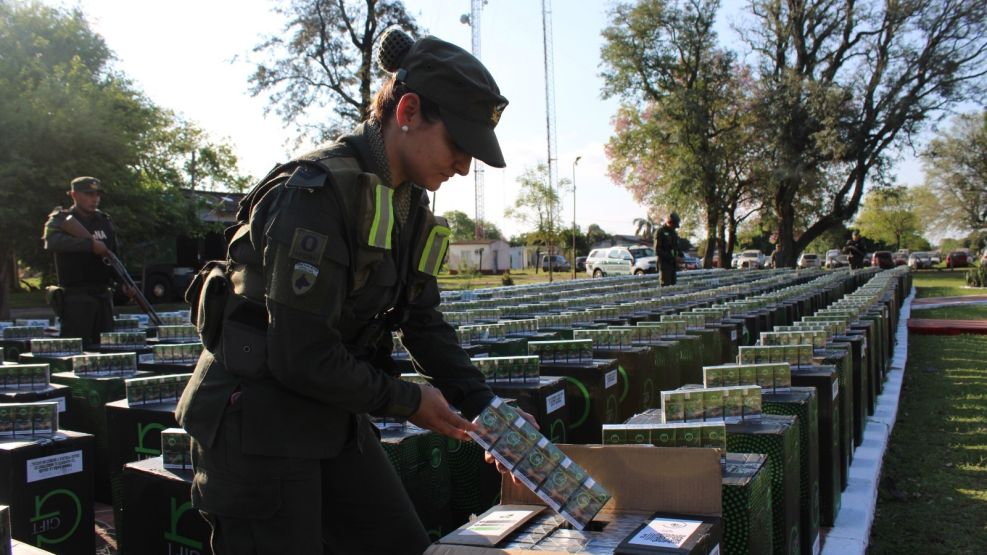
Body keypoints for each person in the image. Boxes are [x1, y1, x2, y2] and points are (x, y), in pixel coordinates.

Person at [177, 28, 522, 554]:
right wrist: (409, 401)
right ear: (408, 112)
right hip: (258, 424)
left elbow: (422, 321)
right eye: (458, 144)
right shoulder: (314, 194)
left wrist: (490, 408)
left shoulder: (408, 206)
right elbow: (299, 354)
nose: (463, 165)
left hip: (328, 409)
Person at [42, 176, 119, 347]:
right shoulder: (62, 219)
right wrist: (89, 245)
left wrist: (123, 282)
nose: (95, 199)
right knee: (77, 350)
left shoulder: (104, 220)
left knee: (106, 349)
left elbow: (113, 254)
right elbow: (52, 242)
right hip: (76, 298)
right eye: (89, 194)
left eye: (97, 194)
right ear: (74, 195)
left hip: (102, 297)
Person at [654, 212, 682, 286]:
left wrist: (681, 256)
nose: (674, 228)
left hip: (673, 264)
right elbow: (657, 250)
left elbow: (676, 247)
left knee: (673, 287)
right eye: (673, 225)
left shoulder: (674, 233)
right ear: (669, 222)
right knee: (666, 287)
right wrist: (672, 257)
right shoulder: (660, 232)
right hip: (664, 265)